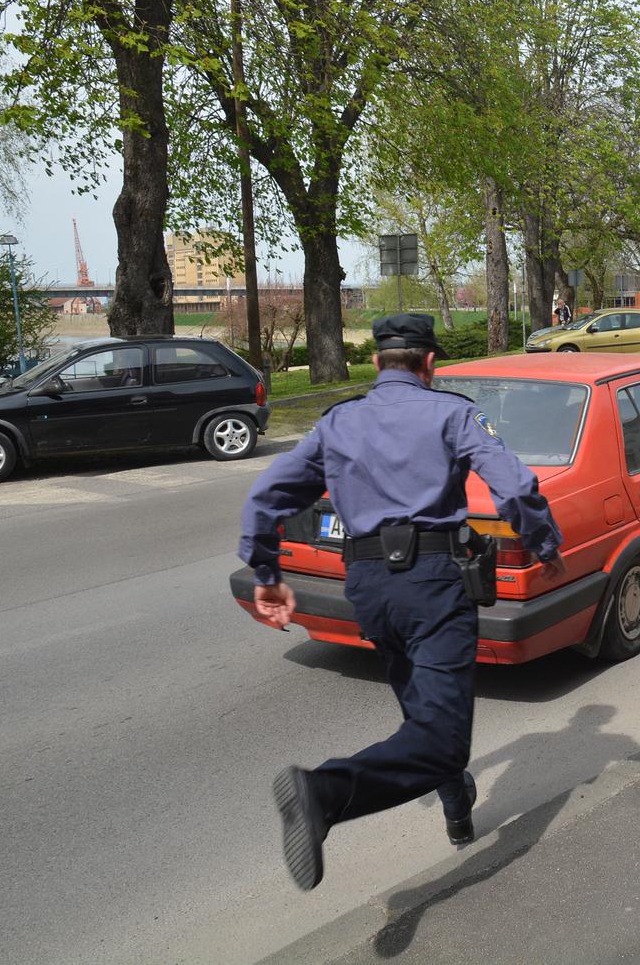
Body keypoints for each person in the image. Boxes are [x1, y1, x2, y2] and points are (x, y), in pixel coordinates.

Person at [238, 313, 565, 891]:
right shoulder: (453, 413)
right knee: (441, 740)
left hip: (368, 588)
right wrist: (543, 543)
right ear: (430, 363)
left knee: (423, 712)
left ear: (376, 361)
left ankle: (456, 804)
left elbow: (269, 495)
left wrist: (266, 572)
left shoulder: (339, 420)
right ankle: (325, 792)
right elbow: (514, 486)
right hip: (433, 582)